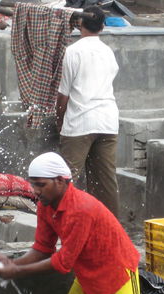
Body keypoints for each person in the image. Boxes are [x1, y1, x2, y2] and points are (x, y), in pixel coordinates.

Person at [0, 152, 141, 294]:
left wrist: (17, 271)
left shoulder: (81, 209)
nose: (36, 190)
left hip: (117, 277)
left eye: (41, 185)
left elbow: (63, 262)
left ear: (60, 181)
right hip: (87, 280)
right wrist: (12, 264)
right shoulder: (45, 206)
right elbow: (42, 248)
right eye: (33, 184)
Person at [55, 6, 120, 217]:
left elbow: (63, 94)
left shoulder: (74, 51)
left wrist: (60, 120)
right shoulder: (108, 52)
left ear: (79, 25)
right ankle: (110, 228)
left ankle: (64, 225)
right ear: (102, 26)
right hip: (108, 121)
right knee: (105, 182)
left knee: (65, 180)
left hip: (80, 123)